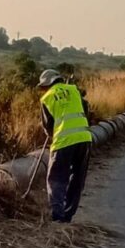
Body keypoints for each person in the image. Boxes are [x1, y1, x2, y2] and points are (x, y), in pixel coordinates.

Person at [38, 69, 93, 223]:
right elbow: (86, 110)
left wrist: (53, 136)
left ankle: (57, 214)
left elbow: (48, 126)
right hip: (84, 138)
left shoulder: (47, 98)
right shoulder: (74, 90)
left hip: (63, 141)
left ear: (47, 84)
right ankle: (68, 215)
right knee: (77, 178)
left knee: (56, 177)